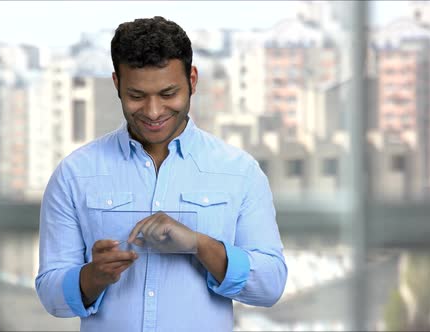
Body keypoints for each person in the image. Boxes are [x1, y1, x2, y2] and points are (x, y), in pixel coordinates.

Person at [35, 16, 287, 332]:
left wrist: (201, 245)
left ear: (192, 80)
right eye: (137, 96)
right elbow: (50, 293)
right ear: (117, 84)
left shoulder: (240, 172)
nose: (153, 112)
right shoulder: (75, 174)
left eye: (168, 94)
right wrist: (94, 276)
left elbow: (270, 285)